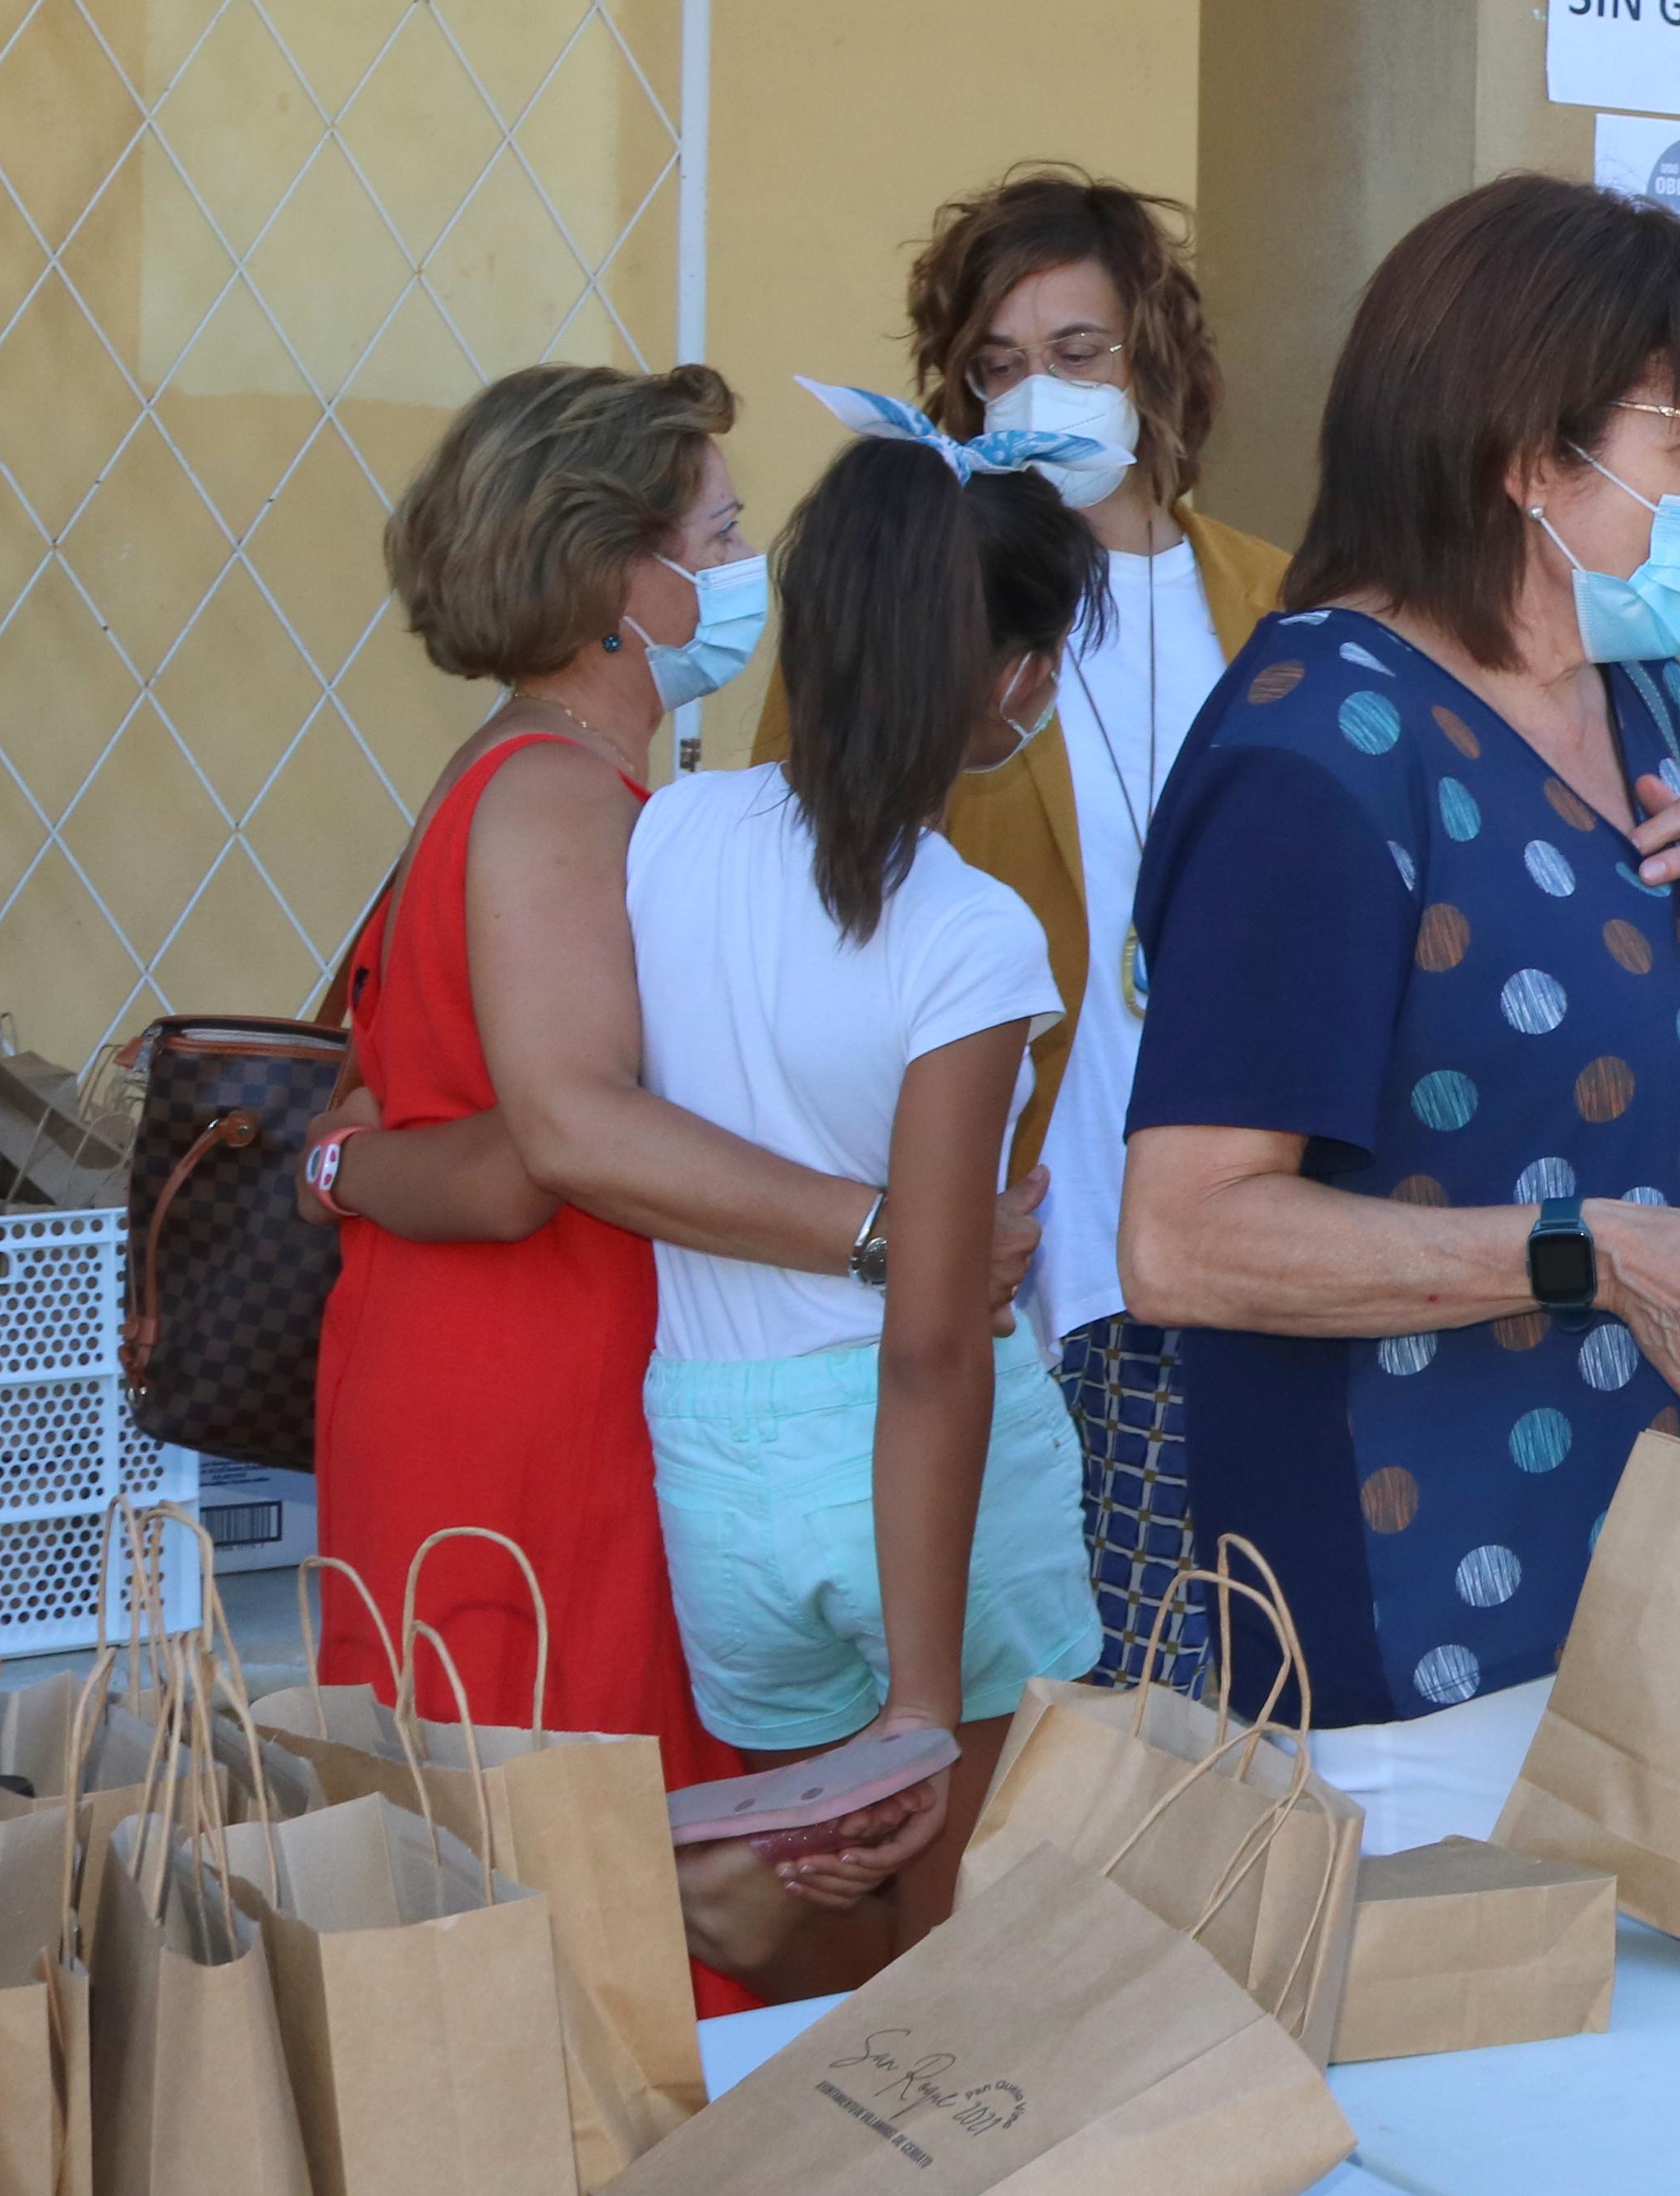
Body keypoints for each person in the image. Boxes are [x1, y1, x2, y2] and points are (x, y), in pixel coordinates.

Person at [1112, 177, 1680, 1804]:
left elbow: (1662, 1076)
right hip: (1442, 1619)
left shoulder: (1644, 697)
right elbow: (1185, 1235)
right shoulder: (1317, 760)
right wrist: (1588, 1255)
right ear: (1532, 458)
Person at [306, 365, 1009, 1976]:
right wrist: (897, 1232)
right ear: (624, 573)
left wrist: (352, 1163)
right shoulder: (555, 793)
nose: (746, 562)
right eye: (722, 527)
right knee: (591, 1884)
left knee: (579, 1870)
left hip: (526, 1378)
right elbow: (561, 1134)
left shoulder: (571, 788)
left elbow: (431, 1111)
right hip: (531, 1411)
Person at [751, 168, 1288, 1689]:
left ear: (1159, 361)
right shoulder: (909, 596)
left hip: (1253, 1230)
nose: (1035, 392)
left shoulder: (1284, 604)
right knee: (1071, 1716)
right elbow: (801, 889)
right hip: (1027, 1254)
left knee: (1263, 1700)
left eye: (1077, 351)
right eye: (996, 366)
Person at [629, 405, 1113, 1930]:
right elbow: (930, 1326)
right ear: (1010, 679)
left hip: (714, 1454)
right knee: (966, 1920)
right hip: (916, 1480)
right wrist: (918, 1695)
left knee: (827, 1894)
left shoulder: (671, 837)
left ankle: (747, 1901)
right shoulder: (969, 933)